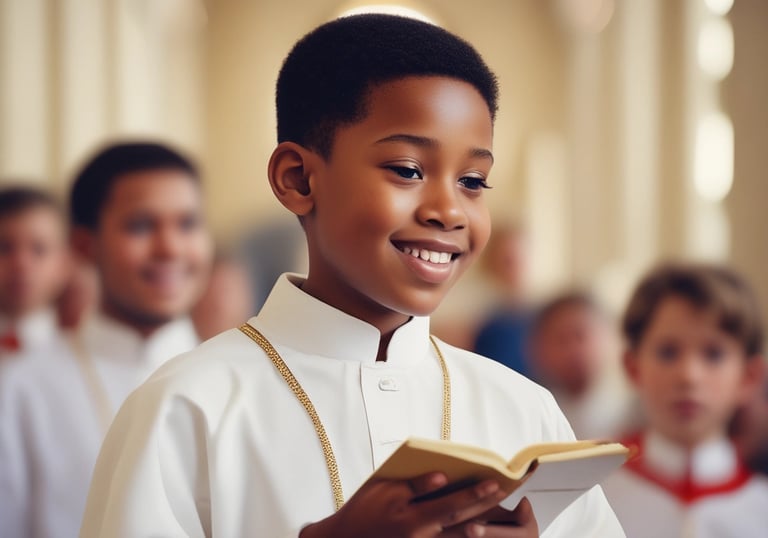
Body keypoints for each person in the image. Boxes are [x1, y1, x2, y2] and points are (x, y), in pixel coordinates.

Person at [80, 15, 624, 538]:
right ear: (298, 179)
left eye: (473, 181)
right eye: (408, 170)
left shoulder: (523, 409)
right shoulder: (187, 406)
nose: (450, 210)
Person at [0, 142, 213, 538]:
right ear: (85, 245)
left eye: (187, 224)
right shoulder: (20, 387)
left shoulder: (243, 371)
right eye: (141, 226)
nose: (170, 247)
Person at [601, 262, 768, 537]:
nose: (689, 376)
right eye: (667, 352)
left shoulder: (761, 509)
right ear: (633, 368)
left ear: (748, 377)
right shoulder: (596, 496)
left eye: (713, 354)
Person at [527, 291, 637, 440]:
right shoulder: (535, 417)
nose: (573, 350)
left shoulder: (635, 412)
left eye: (580, 335)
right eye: (562, 340)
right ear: (538, 349)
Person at [0, 186, 71, 358]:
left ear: (65, 263)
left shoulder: (79, 358)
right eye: (4, 247)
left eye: (39, 249)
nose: (21, 264)